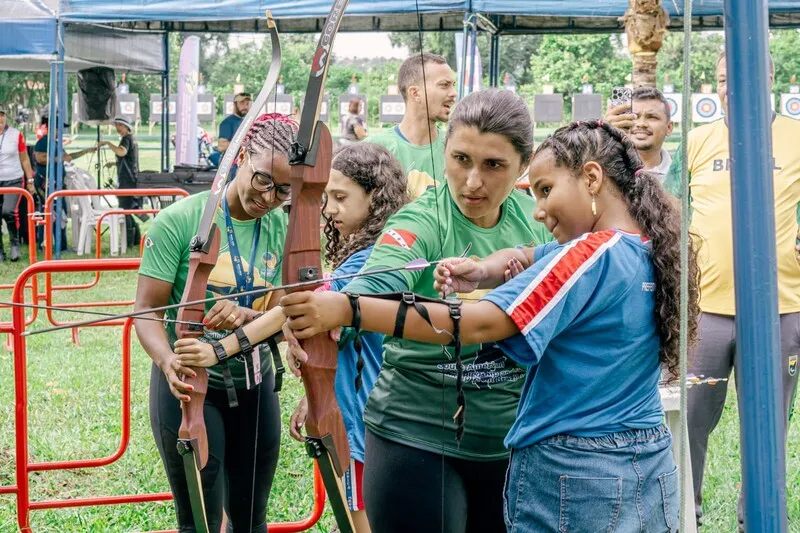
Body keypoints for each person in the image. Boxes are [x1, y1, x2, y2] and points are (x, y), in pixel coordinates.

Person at [281, 120, 701, 533]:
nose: (538, 210)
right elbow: (528, 254)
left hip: (579, 471)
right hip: (646, 461)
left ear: (591, 177)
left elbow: (477, 324)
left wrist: (346, 309)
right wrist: (484, 269)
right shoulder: (647, 246)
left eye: (546, 190)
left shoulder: (587, 255)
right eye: (459, 159)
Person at [283, 89, 551, 533]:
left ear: (524, 165)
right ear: (443, 149)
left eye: (494, 165)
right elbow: (379, 282)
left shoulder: (537, 220)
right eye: (460, 159)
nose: (472, 182)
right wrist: (334, 315)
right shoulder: (420, 218)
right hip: (415, 434)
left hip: (514, 441)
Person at [176, 143, 409, 533]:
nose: (329, 209)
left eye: (339, 197)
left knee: (362, 520)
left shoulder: (371, 260)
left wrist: (220, 349)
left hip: (368, 423)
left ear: (375, 198)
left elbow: (298, 308)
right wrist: (315, 392)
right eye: (325, 196)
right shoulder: (387, 251)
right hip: (373, 417)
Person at [135, 113, 296, 532]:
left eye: (284, 189)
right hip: (189, 386)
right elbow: (147, 310)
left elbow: (283, 314)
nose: (270, 197)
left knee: (250, 519)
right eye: (263, 180)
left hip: (256, 382)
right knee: (199, 521)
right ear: (241, 156)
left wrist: (248, 315)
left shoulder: (282, 226)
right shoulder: (180, 220)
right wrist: (168, 360)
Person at [664, 50, 800, 531]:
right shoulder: (698, 140)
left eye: (740, 77)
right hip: (708, 310)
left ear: (769, 78)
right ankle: (686, 514)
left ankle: (759, 519)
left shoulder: (795, 137)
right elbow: (669, 214)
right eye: (722, 78)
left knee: (768, 425)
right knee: (692, 420)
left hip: (779, 309)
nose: (729, 88)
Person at [367, 52, 457, 199]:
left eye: (453, 85)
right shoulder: (373, 150)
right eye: (444, 85)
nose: (454, 93)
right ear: (415, 93)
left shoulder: (457, 149)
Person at [33, 118, 96, 251]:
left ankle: (60, 245)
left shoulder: (56, 143)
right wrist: (59, 159)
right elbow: (40, 158)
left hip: (57, 183)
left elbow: (68, 157)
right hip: (46, 183)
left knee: (60, 212)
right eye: (58, 128)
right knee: (49, 211)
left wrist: (86, 151)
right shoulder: (43, 142)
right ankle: (44, 244)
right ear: (50, 128)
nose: (60, 131)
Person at [604, 87, 674, 182]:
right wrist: (604, 133)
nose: (641, 123)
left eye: (652, 117)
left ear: (669, 128)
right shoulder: (602, 169)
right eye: (634, 116)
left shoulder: (682, 173)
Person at [99, 117, 141, 247]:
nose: (117, 128)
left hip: (127, 180)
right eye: (116, 125)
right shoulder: (131, 139)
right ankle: (135, 238)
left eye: (119, 126)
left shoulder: (126, 139)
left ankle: (129, 241)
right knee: (127, 210)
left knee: (125, 210)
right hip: (130, 178)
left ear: (126, 127)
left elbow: (122, 152)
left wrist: (107, 143)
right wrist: (114, 163)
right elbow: (127, 158)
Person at [0, 105, 35, 262]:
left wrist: (30, 180)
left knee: (8, 211)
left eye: (2, 116)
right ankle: (0, 251)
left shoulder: (15, 135)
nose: (0, 119)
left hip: (13, 179)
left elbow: (25, 159)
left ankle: (15, 243)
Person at [210, 92, 252, 168]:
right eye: (242, 103)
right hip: (232, 165)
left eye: (247, 104)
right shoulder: (227, 123)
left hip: (246, 163)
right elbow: (221, 146)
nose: (245, 106)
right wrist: (243, 143)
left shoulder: (248, 122)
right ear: (235, 105)